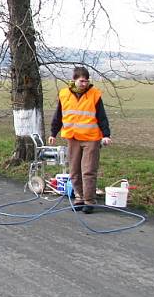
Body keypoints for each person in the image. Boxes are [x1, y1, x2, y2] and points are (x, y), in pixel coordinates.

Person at [48, 66, 112, 214]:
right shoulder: (64, 94)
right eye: (82, 81)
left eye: (86, 81)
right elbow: (58, 116)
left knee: (88, 170)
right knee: (74, 171)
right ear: (74, 80)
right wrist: (53, 133)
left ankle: (89, 201)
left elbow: (102, 117)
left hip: (91, 138)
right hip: (73, 137)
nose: (84, 84)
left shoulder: (94, 94)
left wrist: (106, 135)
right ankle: (79, 198)